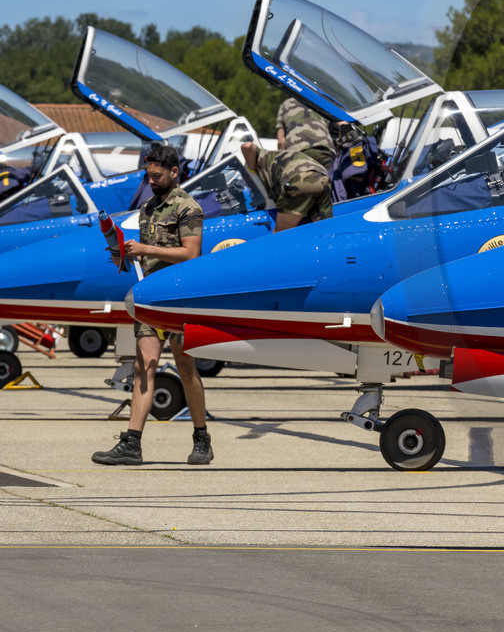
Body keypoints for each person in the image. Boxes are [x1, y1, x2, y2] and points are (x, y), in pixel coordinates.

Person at [92, 143, 212, 466]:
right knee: (144, 367)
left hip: (180, 299)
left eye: (158, 176)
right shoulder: (147, 209)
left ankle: (202, 438)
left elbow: (191, 253)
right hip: (151, 298)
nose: (152, 181)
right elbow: (147, 254)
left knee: (186, 369)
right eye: (149, 176)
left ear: (175, 172)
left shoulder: (188, 208)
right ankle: (132, 443)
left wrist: (144, 247)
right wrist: (122, 254)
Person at [240, 96, 335, 230]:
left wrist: (250, 170)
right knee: (325, 232)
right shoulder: (315, 99)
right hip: (323, 172)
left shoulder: (263, 157)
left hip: (299, 172)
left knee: (279, 236)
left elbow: (249, 146)